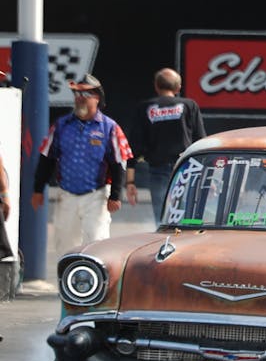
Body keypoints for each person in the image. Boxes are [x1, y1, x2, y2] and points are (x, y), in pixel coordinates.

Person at [31, 74, 133, 256]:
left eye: (85, 94)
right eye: (77, 94)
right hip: (66, 195)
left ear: (97, 98)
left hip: (97, 196)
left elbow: (119, 162)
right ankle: (67, 275)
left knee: (96, 245)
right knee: (65, 246)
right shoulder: (61, 125)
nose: (80, 98)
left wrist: (116, 195)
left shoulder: (109, 127)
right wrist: (38, 189)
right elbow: (47, 157)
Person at [125, 68, 206, 224]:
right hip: (187, 168)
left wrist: (130, 182)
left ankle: (164, 237)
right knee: (186, 217)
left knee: (162, 218)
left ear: (156, 86)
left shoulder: (145, 107)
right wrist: (206, 174)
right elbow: (201, 141)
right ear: (178, 87)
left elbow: (134, 147)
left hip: (158, 169)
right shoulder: (189, 105)